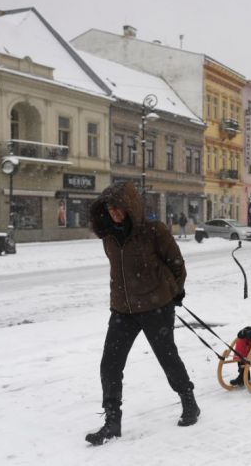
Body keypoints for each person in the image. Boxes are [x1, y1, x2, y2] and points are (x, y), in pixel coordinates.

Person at [85, 181, 199, 446]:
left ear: (130, 206)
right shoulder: (110, 238)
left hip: (156, 307)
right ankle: (112, 421)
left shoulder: (154, 231)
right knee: (109, 364)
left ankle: (189, 402)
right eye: (110, 208)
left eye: (118, 207)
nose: (114, 212)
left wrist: (174, 292)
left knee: (167, 357)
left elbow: (177, 265)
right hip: (123, 309)